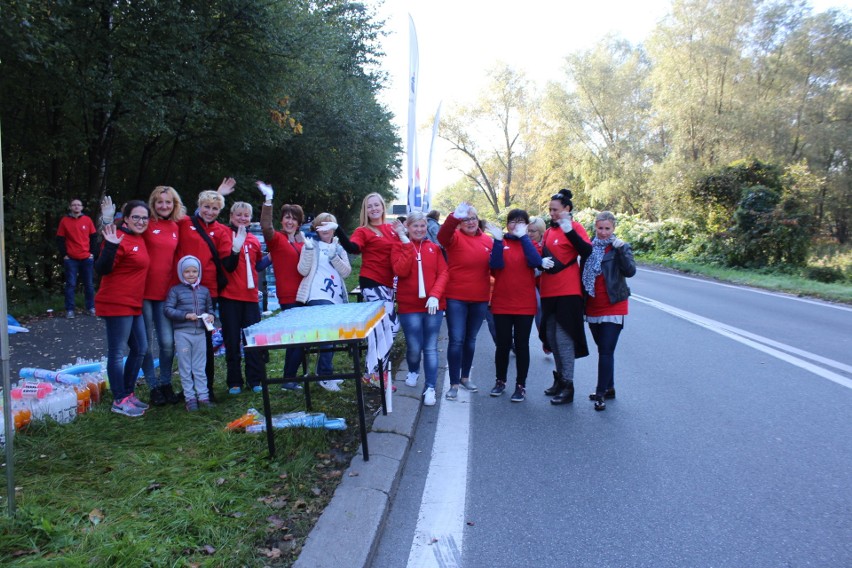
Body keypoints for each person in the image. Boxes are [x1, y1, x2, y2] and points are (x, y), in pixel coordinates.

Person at [175, 183, 238, 400]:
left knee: (204, 339)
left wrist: (237, 249)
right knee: (185, 337)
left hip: (207, 291)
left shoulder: (222, 231)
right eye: (206, 207)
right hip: (183, 289)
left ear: (219, 211)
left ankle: (206, 388)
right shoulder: (185, 223)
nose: (209, 211)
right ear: (199, 206)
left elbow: (225, 261)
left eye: (214, 208)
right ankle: (188, 386)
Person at [335, 192, 402, 385]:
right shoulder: (363, 230)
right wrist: (338, 230)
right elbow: (353, 248)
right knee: (392, 326)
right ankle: (373, 371)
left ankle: (374, 373)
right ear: (366, 210)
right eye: (369, 206)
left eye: (376, 205)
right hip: (372, 283)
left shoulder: (391, 229)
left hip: (389, 284)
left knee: (380, 330)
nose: (373, 209)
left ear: (383, 206)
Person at [94, 199, 151, 417]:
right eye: (135, 216)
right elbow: (102, 268)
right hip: (116, 303)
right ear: (125, 218)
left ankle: (128, 393)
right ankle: (119, 399)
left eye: (144, 217)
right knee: (117, 353)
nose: (141, 221)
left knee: (141, 348)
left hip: (133, 303)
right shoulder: (117, 237)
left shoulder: (139, 238)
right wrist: (110, 244)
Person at [539, 189, 592, 405]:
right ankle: (560, 379)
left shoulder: (575, 227)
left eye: (555, 210)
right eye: (550, 209)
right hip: (548, 291)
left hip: (568, 292)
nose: (551, 213)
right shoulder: (549, 232)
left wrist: (569, 230)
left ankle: (568, 385)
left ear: (566, 209)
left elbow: (586, 250)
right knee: (551, 338)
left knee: (563, 340)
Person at [392, 211, 449, 406]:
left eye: (422, 226)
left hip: (433, 306)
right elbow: (401, 270)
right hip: (409, 306)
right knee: (414, 346)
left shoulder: (434, 248)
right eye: (415, 226)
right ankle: (414, 369)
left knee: (430, 347)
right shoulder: (399, 247)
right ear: (407, 227)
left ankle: (431, 387)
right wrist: (407, 245)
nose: (419, 229)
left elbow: (444, 273)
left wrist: (435, 295)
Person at [437, 201, 493, 400]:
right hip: (456, 298)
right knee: (457, 339)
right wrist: (454, 217)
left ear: (478, 220)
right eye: (466, 219)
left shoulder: (488, 241)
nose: (470, 222)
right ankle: (453, 382)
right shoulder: (454, 237)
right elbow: (441, 236)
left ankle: (465, 377)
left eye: (473, 218)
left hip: (479, 298)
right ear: (460, 223)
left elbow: (496, 267)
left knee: (470, 340)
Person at [486, 209, 542, 402]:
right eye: (512, 221)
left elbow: (536, 262)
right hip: (502, 303)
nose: (515, 224)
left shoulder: (531, 243)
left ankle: (521, 385)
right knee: (502, 345)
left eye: (520, 221)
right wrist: (498, 241)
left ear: (526, 225)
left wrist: (523, 238)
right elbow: (495, 266)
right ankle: (500, 381)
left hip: (524, 304)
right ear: (507, 223)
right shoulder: (502, 242)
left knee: (522, 346)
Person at [582, 211, 636, 411]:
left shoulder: (620, 247)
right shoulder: (588, 248)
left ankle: (601, 393)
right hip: (593, 306)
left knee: (606, 350)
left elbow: (630, 271)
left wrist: (621, 250)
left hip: (614, 305)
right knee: (603, 350)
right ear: (595, 227)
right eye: (600, 228)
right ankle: (610, 387)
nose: (603, 232)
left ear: (613, 229)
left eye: (607, 229)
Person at [257, 182, 306, 390]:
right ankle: (289, 379)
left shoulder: (302, 243)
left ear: (298, 223)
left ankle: (291, 377)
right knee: (298, 339)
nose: (290, 221)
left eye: (294, 218)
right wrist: (268, 200)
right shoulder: (276, 239)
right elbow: (266, 227)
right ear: (282, 219)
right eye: (287, 217)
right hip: (288, 296)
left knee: (301, 339)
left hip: (305, 295)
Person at [137, 186, 183, 405]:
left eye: (168, 202)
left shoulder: (176, 226)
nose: (164, 206)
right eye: (159, 202)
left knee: (167, 342)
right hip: (143, 292)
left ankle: (165, 383)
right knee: (144, 343)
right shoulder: (145, 224)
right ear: (153, 203)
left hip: (166, 293)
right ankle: (153, 387)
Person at [296, 213, 352, 392]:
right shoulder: (311, 245)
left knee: (332, 336)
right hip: (317, 295)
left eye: (330, 226)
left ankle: (326, 372)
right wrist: (309, 249)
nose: (326, 230)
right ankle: (325, 375)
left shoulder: (338, 247)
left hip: (336, 298)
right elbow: (302, 270)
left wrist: (335, 255)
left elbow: (346, 272)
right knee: (327, 336)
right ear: (316, 228)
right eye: (322, 226)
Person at [220, 201, 266, 395]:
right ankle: (234, 381)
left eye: (246, 215)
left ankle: (255, 379)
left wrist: (273, 257)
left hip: (250, 297)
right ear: (231, 216)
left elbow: (257, 266)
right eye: (239, 215)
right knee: (232, 340)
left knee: (253, 340)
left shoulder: (254, 239)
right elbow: (227, 264)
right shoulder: (225, 235)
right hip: (230, 296)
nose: (242, 218)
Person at [164, 255, 215, 410]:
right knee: (185, 367)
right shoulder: (175, 291)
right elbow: (168, 309)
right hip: (182, 334)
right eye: (187, 271)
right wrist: (185, 315)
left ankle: (203, 397)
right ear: (181, 273)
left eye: (194, 271)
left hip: (200, 333)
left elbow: (210, 309)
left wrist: (211, 316)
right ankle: (190, 398)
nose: (191, 274)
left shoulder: (204, 291)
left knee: (200, 366)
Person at [56, 198, 98, 319]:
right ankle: (70, 309)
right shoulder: (64, 221)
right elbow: (60, 239)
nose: (76, 207)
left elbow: (94, 237)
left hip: (86, 257)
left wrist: (92, 253)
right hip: (71, 258)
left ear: (82, 207)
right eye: (74, 205)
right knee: (71, 284)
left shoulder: (87, 220)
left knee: (89, 284)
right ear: (70, 207)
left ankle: (91, 307)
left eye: (78, 205)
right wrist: (64, 254)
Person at [527, 216, 547, 338]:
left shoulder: (547, 243)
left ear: (540, 231)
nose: (529, 234)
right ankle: (544, 337)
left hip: (544, 282)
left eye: (532, 231)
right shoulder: (525, 243)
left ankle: (546, 337)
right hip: (529, 281)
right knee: (538, 305)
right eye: (528, 230)